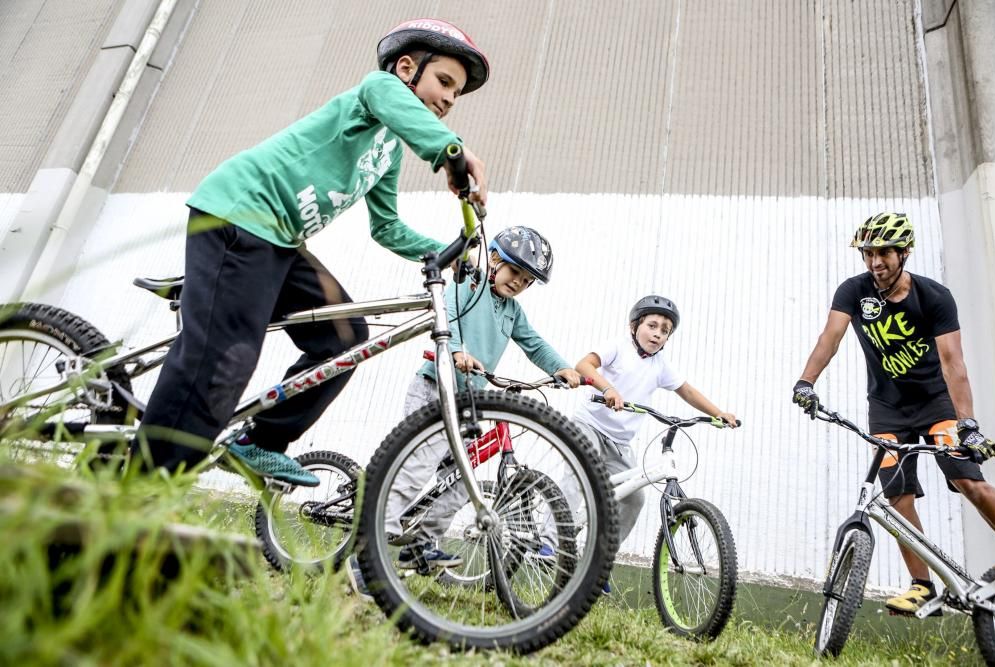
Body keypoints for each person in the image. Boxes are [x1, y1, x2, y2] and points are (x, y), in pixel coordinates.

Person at [131, 19, 491, 486]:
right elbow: (386, 97)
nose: (448, 99)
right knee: (222, 360)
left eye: (456, 94)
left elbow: (386, 228)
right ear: (406, 67)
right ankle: (143, 491)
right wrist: (451, 151)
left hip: (280, 241)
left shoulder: (388, 150)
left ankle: (260, 442)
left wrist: (446, 251)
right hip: (238, 215)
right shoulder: (377, 89)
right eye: (444, 81)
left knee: (344, 336)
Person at [347, 226, 580, 596]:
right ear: (494, 260)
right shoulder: (467, 283)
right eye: (514, 272)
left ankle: (421, 543)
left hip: (468, 404)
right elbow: (449, 314)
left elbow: (533, 344)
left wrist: (561, 368)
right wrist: (456, 350)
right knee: (416, 468)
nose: (518, 283)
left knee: (460, 482)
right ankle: (365, 555)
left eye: (526, 280)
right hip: (434, 392)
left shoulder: (512, 312)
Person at [793, 212, 995, 615]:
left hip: (936, 405)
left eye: (884, 252)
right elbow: (829, 338)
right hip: (886, 410)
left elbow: (952, 362)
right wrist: (806, 382)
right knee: (897, 496)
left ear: (904, 252)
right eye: (868, 253)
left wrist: (968, 425)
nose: (875, 262)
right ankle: (922, 585)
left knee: (967, 479)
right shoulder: (854, 292)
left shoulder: (934, 297)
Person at [571, 295, 738, 594]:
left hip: (620, 443)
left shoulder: (660, 365)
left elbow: (686, 391)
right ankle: (548, 539)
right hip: (590, 426)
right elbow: (585, 364)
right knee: (578, 470)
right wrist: (607, 388)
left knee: (634, 499)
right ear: (634, 325)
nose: (658, 333)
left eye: (665, 330)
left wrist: (718, 413)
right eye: (652, 325)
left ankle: (597, 565)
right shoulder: (618, 346)